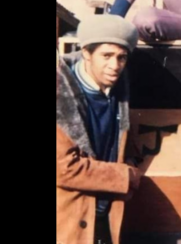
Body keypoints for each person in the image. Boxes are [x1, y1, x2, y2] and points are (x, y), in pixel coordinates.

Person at [56, 15, 143, 244]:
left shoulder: (117, 90)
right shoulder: (59, 95)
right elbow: (65, 169)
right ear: (86, 53)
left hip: (105, 219)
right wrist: (127, 176)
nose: (115, 66)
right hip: (67, 223)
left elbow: (123, 139)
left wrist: (131, 163)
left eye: (121, 58)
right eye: (106, 56)